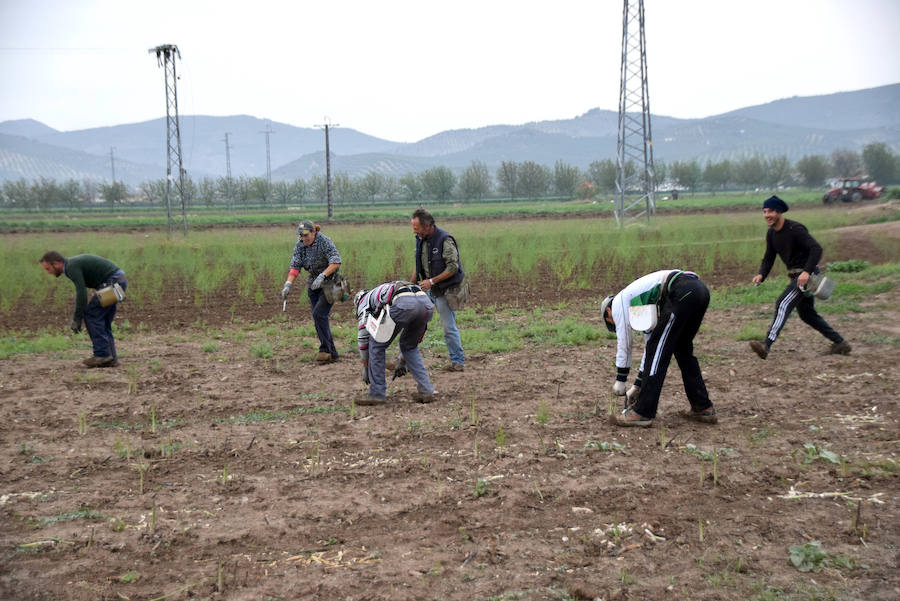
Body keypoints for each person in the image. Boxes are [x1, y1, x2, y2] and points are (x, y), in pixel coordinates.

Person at [600, 269, 716, 427]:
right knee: (682, 350)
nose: (614, 323)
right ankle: (703, 407)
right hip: (699, 290)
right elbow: (650, 343)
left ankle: (643, 412)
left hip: (681, 291)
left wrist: (621, 380)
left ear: (608, 311)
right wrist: (637, 385)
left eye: (610, 321)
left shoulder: (619, 303)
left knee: (659, 351)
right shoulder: (639, 300)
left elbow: (625, 344)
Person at [749, 196, 850, 360]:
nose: (767, 215)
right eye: (765, 211)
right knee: (807, 315)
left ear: (779, 212)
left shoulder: (795, 229)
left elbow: (816, 249)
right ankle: (840, 343)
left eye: (771, 211)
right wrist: (761, 274)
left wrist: (807, 272)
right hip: (797, 276)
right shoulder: (772, 234)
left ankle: (766, 344)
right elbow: (769, 258)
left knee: (782, 303)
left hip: (807, 277)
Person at [39, 251, 128, 368]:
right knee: (103, 320)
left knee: (92, 314)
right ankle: (111, 358)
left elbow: (81, 293)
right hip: (120, 282)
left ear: (56, 263)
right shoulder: (71, 264)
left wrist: (77, 319)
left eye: (48, 269)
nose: (48, 273)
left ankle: (102, 355)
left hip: (114, 283)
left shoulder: (71, 267)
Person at [354, 281, 436, 405]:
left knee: (376, 345)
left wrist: (366, 367)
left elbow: (363, 338)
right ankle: (427, 390)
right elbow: (418, 336)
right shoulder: (380, 292)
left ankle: (377, 393)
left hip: (405, 304)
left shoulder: (363, 303)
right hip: (426, 303)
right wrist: (403, 359)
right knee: (409, 346)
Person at [410, 208, 466, 372]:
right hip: (428, 290)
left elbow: (453, 267)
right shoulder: (420, 240)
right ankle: (403, 361)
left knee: (448, 327)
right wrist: (409, 287)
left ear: (427, 226)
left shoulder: (445, 240)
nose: (414, 231)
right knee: (415, 323)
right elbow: (417, 265)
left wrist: (432, 281)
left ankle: (458, 362)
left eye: (416, 228)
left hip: (444, 290)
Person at [281, 220, 343, 364]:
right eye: (301, 236)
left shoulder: (324, 241)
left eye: (306, 235)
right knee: (319, 318)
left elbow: (336, 261)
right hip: (313, 284)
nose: (304, 238)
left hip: (330, 283)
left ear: (314, 232)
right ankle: (331, 353)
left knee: (319, 314)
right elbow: (295, 266)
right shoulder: (300, 245)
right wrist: (288, 284)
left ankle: (324, 350)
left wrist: (323, 275)